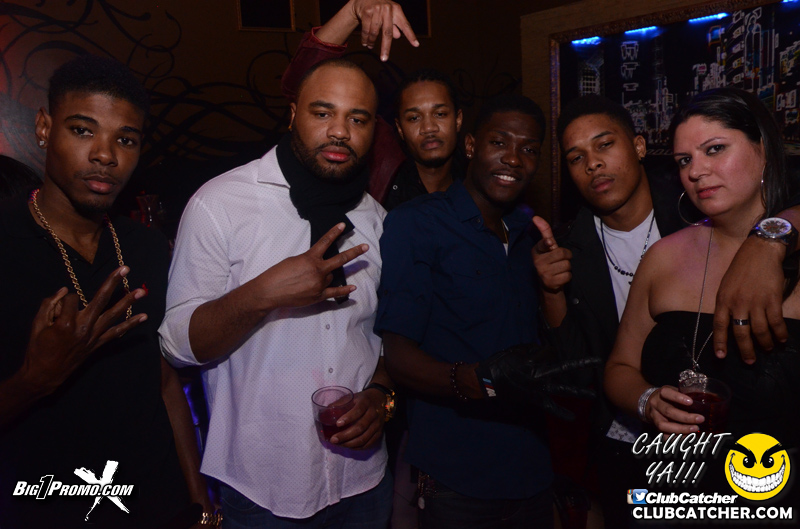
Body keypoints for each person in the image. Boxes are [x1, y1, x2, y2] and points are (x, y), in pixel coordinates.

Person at [159, 58, 394, 528]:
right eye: (323, 113)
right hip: (262, 490)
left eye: (358, 118)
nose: (340, 132)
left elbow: (381, 337)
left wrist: (380, 397)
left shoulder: (377, 218)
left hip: (364, 483)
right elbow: (178, 346)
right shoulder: (220, 204)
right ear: (292, 115)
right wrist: (263, 293)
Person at [0, 55, 211, 528]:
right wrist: (35, 380)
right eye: (82, 130)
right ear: (44, 128)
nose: (105, 155)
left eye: (126, 139)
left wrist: (200, 502)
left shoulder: (147, 246)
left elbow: (165, 383)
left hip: (160, 507)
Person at [605, 87, 800, 493]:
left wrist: (769, 240)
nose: (695, 172)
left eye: (714, 149)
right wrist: (647, 400)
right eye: (684, 160)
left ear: (763, 148)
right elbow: (619, 367)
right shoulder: (662, 257)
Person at [375, 95, 557, 528]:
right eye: (499, 142)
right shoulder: (418, 223)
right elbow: (398, 356)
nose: (513, 158)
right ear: (471, 145)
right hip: (458, 477)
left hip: (533, 469)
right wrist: (478, 380)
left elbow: (552, 344)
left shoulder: (531, 233)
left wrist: (554, 291)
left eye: (529, 149)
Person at [532, 95, 684, 528]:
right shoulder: (569, 247)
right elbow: (576, 373)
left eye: (604, 145)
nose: (593, 164)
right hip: (625, 443)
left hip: (707, 432)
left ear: (638, 146)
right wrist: (551, 291)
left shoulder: (691, 212)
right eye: (576, 157)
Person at [282, 0, 463, 208]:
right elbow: (303, 85)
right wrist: (353, 10)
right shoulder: (382, 157)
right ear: (399, 128)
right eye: (413, 117)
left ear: (458, 119)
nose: (429, 128)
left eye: (440, 114)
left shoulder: (478, 178)